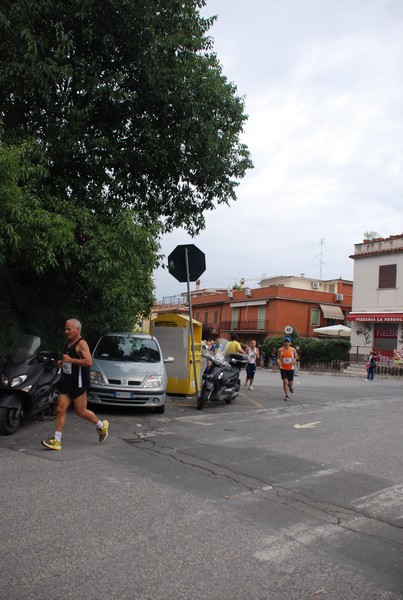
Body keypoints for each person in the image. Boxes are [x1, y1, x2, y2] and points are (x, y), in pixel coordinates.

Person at [41, 319, 109, 451]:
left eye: (69, 329)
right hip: (67, 382)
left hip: (79, 384)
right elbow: (70, 360)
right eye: (65, 329)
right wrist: (63, 362)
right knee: (60, 409)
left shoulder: (82, 343)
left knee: (81, 412)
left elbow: (89, 362)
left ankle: (101, 425)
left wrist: (70, 360)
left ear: (77, 330)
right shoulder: (69, 343)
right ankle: (57, 441)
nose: (66, 331)